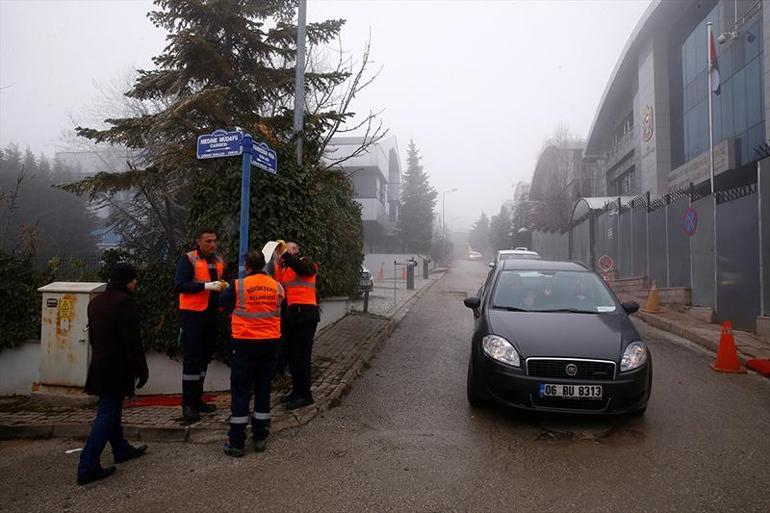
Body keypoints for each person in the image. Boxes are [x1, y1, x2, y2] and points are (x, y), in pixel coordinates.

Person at [77, 263, 149, 485]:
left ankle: (120, 449)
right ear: (125, 280)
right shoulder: (124, 303)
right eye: (133, 279)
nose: (136, 282)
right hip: (117, 367)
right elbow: (132, 341)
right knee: (107, 414)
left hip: (99, 364)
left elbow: (93, 337)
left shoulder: (96, 302)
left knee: (112, 409)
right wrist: (141, 369)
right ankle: (87, 466)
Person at [219, 250, 284, 456]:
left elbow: (222, 303)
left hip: (245, 343)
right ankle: (260, 436)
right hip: (270, 343)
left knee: (241, 390)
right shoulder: (277, 286)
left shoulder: (238, 286)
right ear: (263, 265)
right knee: (263, 387)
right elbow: (283, 310)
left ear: (246, 266)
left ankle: (237, 442)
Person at [175, 227, 227, 421]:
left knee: (204, 359)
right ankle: (188, 404)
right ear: (199, 241)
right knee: (192, 360)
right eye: (208, 241)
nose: (212, 244)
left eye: (215, 241)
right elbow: (180, 285)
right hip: (192, 316)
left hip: (211, 316)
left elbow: (220, 284)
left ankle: (197, 400)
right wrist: (205, 286)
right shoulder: (188, 259)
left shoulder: (218, 261)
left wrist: (223, 289)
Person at [274, 241, 320, 410]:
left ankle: (305, 395)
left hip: (306, 315)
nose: (287, 251)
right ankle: (297, 392)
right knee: (293, 357)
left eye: (291, 248)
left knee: (301, 357)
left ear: (298, 251)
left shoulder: (308, 263)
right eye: (285, 248)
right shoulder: (284, 269)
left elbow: (304, 269)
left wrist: (285, 254)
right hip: (291, 316)